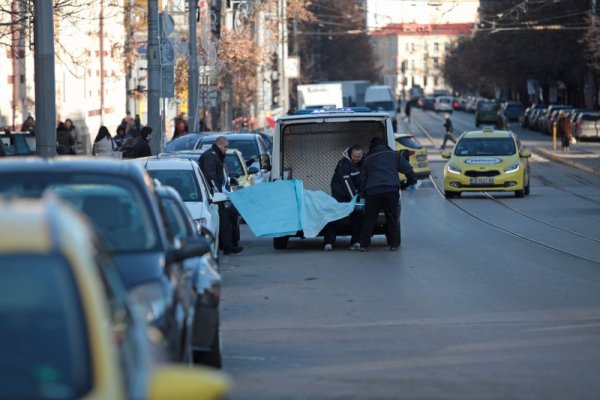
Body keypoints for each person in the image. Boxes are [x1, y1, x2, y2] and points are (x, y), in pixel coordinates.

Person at [359, 137, 417, 252]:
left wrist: (362, 196)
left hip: (373, 192)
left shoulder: (368, 159)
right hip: (391, 191)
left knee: (369, 218)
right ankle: (393, 244)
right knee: (391, 217)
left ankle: (365, 245)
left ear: (372, 147)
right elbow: (407, 168)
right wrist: (412, 181)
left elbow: (362, 180)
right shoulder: (394, 155)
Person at [198, 136, 243, 255]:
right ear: (219, 145)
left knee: (226, 220)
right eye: (225, 147)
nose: (226, 150)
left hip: (217, 194)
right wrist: (216, 192)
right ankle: (228, 247)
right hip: (213, 196)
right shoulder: (211, 156)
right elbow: (211, 176)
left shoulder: (215, 155)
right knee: (223, 221)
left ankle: (229, 246)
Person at [323, 145, 365, 251]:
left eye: (359, 156)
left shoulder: (364, 162)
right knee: (335, 215)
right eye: (355, 156)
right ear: (351, 154)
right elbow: (347, 183)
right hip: (340, 192)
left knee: (357, 215)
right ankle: (328, 242)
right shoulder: (344, 164)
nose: (357, 158)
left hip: (354, 192)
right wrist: (354, 198)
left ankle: (356, 241)